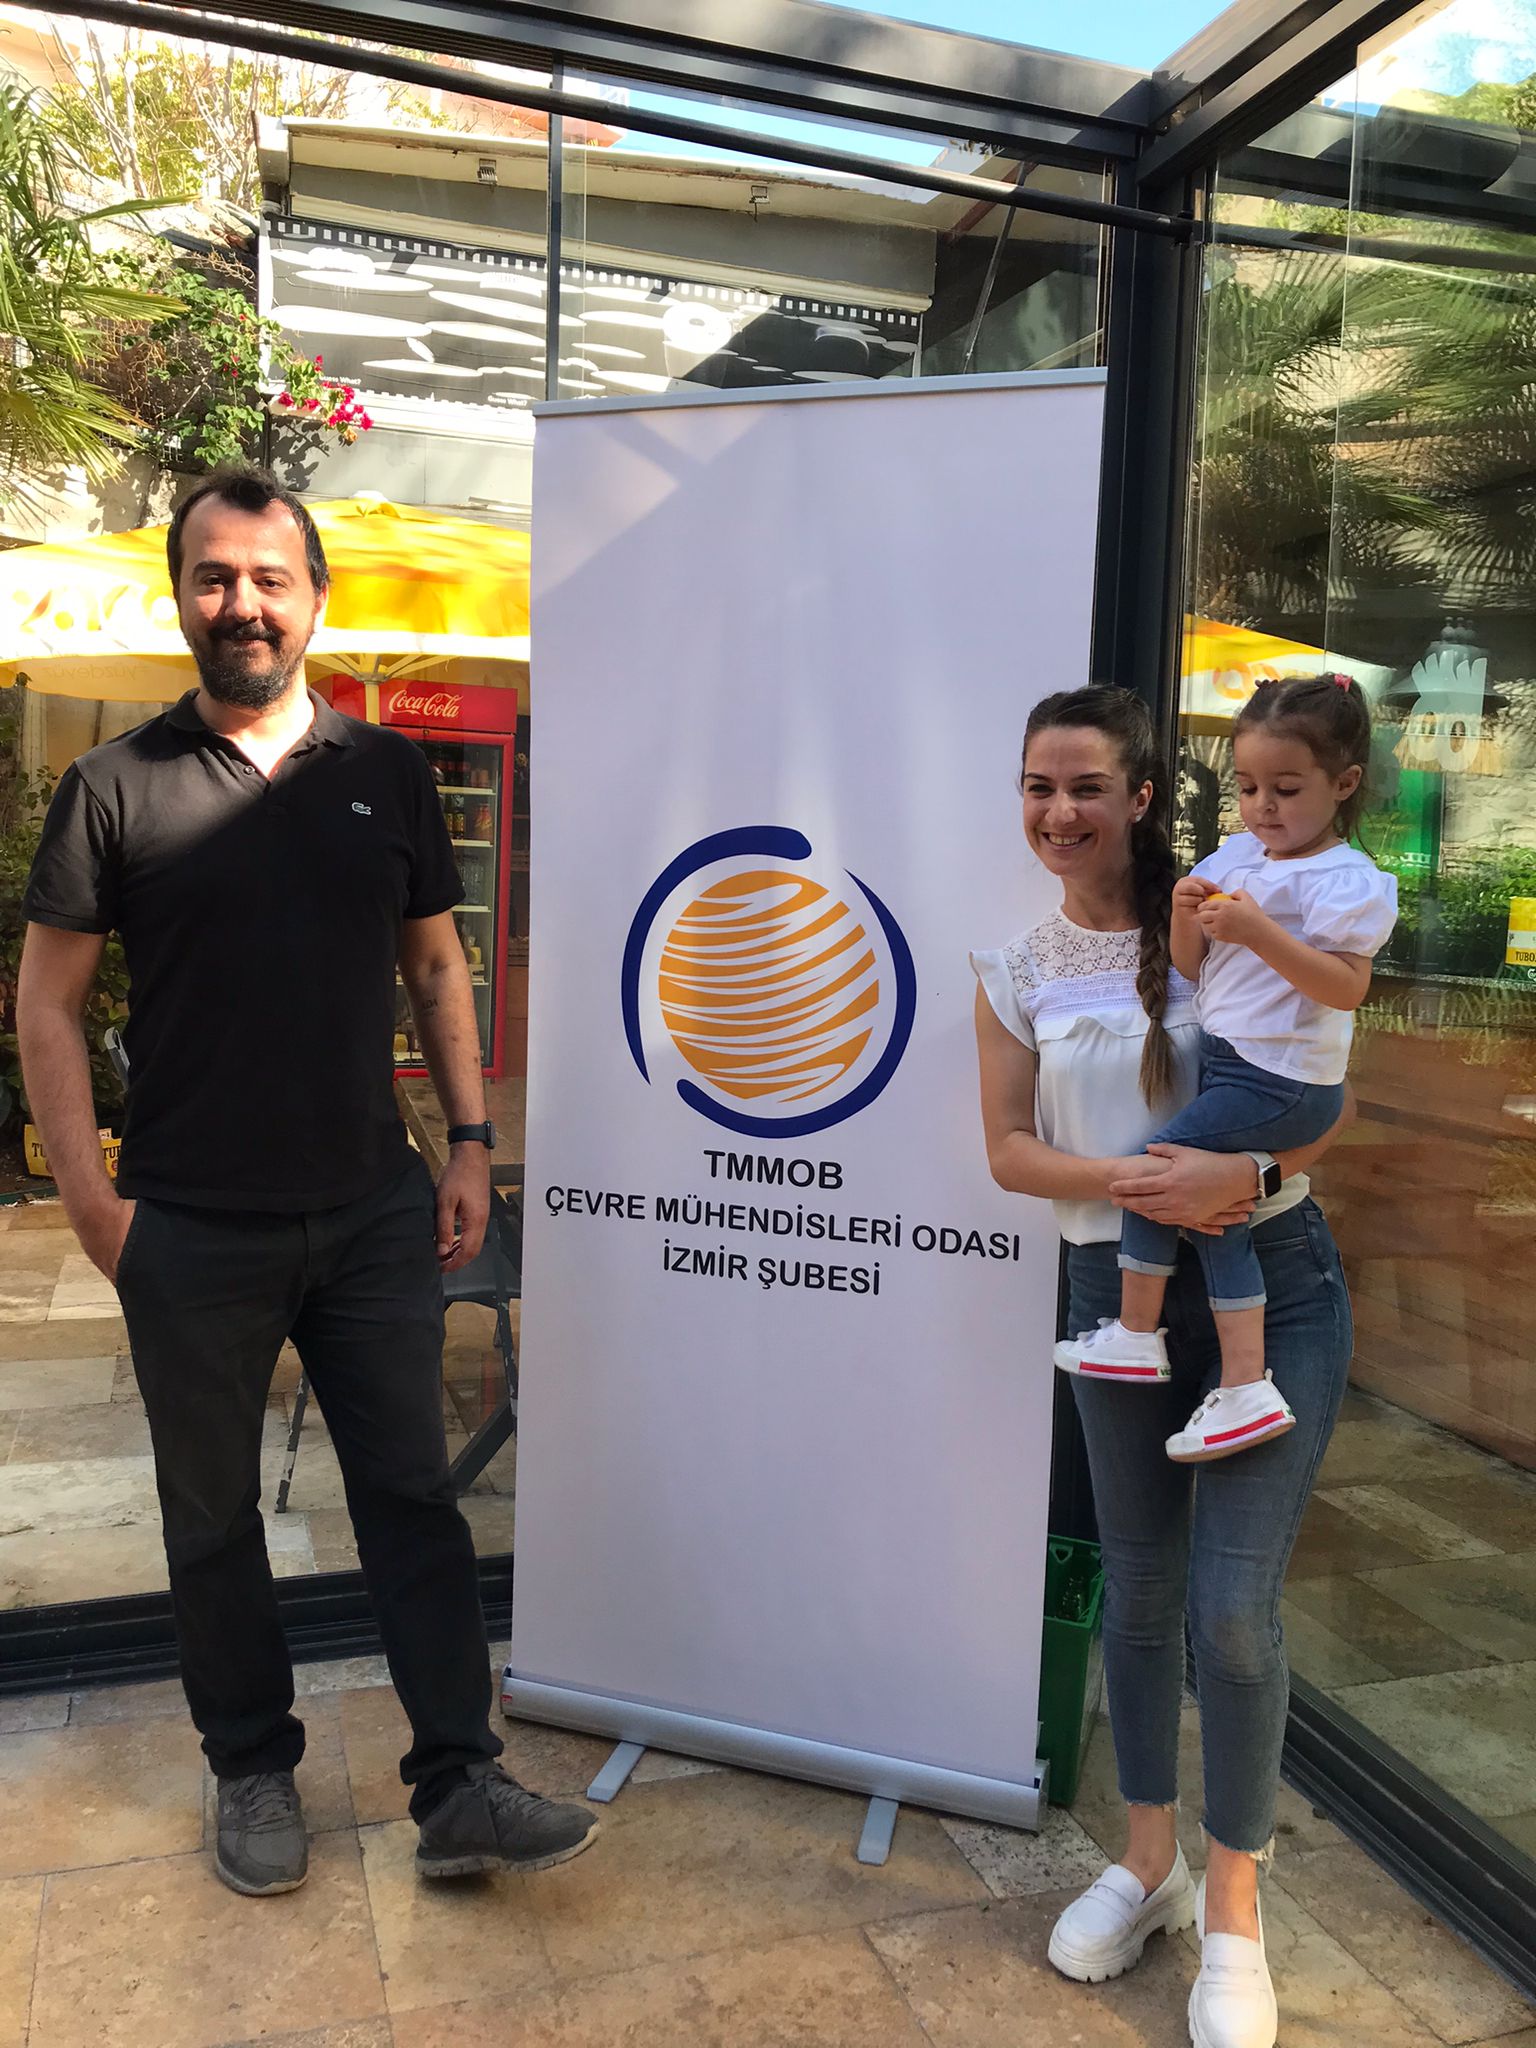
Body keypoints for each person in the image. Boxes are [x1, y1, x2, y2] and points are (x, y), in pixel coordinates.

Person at [17, 466, 599, 1898]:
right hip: (190, 1218)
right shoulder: (112, 785)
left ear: (314, 599)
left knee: (411, 1495)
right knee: (212, 1516)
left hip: (370, 1208)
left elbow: (437, 966)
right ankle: (251, 1766)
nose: (243, 604)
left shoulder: (387, 773)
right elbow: (46, 1002)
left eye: (269, 579)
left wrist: (470, 1143)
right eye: (215, 577)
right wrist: (91, 1198)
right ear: (183, 596)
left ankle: (457, 1781)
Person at [972, 686, 1355, 2048]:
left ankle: (1235, 1912)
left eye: (1087, 786)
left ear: (1142, 796)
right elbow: (1009, 1152)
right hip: (1113, 1302)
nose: (1058, 811)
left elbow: (1321, 1097)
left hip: (1274, 1292)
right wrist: (1149, 1182)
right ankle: (1150, 1865)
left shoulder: (1232, 909)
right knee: (1139, 1592)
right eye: (1038, 786)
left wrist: (1237, 1177)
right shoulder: (1013, 965)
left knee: (1232, 1612)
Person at [1054, 675, 1395, 1465]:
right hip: (1233, 1067)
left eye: (1286, 789)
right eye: (1246, 788)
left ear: (1344, 784)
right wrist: (1187, 915)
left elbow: (1347, 988)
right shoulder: (1238, 856)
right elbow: (1192, 968)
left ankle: (1137, 1333)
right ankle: (1243, 1385)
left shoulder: (1344, 880)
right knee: (1214, 1218)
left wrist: (1258, 931)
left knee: (1158, 1174)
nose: (1262, 807)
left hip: (1282, 1081)